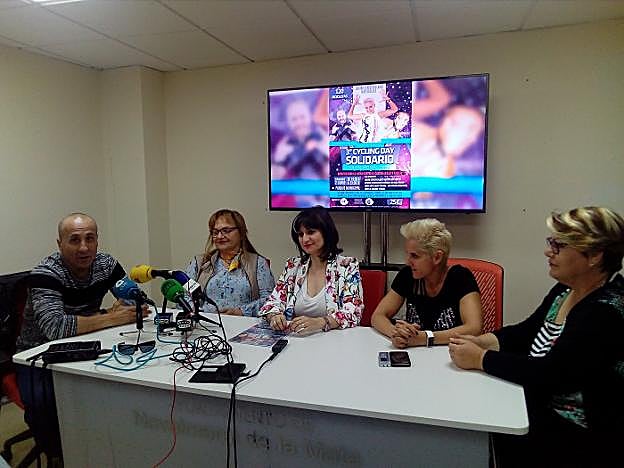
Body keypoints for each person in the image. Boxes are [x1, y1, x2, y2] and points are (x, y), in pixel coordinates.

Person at [449, 207, 624, 467]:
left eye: (559, 245)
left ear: (595, 255)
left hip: (577, 434)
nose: (548, 251)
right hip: (537, 406)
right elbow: (526, 332)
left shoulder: (605, 311)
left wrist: (481, 359)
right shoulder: (566, 289)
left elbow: (550, 374)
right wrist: (483, 341)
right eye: (551, 242)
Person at [16, 212, 145, 465]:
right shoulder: (45, 274)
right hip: (39, 354)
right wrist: (110, 316)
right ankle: (57, 455)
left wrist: (124, 306)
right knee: (44, 406)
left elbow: (133, 299)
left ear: (97, 240)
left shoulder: (106, 264)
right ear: (60, 243)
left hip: (89, 339)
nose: (84, 247)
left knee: (124, 385)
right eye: (74, 240)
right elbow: (56, 328)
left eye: (90, 238)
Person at [371, 218, 482, 348]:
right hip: (414, 352)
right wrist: (397, 334)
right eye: (407, 254)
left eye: (415, 256)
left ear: (437, 257)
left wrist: (425, 338)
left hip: (451, 353)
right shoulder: (408, 274)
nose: (408, 261)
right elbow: (377, 316)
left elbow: (474, 328)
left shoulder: (460, 277)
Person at [259, 206, 363, 333]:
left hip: (333, 339)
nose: (304, 239)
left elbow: (353, 312)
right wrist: (274, 316)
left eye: (310, 232)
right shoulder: (293, 266)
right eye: (300, 234)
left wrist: (321, 322)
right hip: (296, 338)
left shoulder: (347, 266)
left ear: (326, 232)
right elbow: (271, 303)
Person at [186, 209, 275, 317]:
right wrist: (198, 312)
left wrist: (242, 311)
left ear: (241, 233)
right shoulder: (200, 263)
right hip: (206, 322)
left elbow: (270, 299)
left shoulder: (257, 263)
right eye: (215, 232)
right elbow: (183, 295)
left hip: (244, 322)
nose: (220, 236)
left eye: (226, 231)